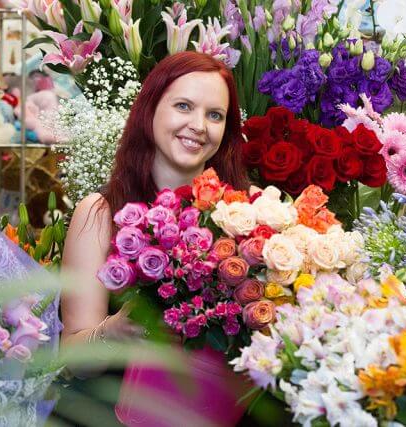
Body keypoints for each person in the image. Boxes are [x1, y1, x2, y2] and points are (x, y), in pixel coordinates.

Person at [60, 51, 251, 425]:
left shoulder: (243, 215)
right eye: (183, 106)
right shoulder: (100, 213)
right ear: (150, 110)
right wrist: (114, 331)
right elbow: (72, 362)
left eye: (215, 115)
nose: (199, 125)